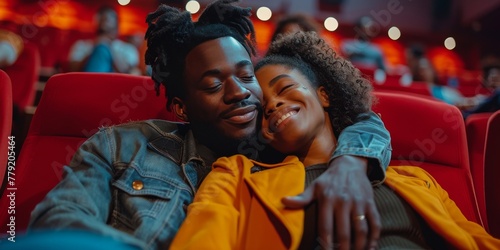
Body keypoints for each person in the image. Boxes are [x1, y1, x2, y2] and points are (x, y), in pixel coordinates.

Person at [28, 1, 391, 249]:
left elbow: (360, 119)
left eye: (247, 77)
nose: (239, 93)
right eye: (214, 85)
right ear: (181, 107)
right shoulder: (121, 145)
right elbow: (60, 221)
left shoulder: (280, 148)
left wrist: (351, 164)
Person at [171, 31, 500, 250]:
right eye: (263, 104)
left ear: (324, 95)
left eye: (285, 88)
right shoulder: (237, 173)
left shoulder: (416, 179)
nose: (272, 104)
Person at [67, 6, 139, 74]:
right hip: (85, 84)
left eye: (109, 20)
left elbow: (132, 73)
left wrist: (107, 47)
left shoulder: (128, 49)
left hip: (115, 85)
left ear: (117, 28)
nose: (105, 22)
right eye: (102, 19)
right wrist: (97, 48)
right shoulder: (81, 45)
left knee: (102, 50)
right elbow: (72, 69)